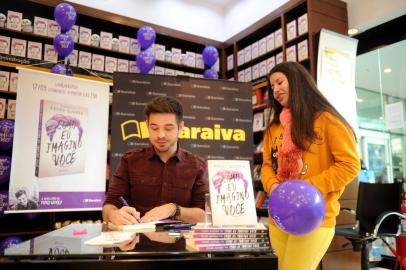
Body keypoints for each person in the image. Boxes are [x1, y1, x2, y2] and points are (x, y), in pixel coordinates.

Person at [261, 62, 360, 270]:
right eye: (272, 87)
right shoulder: (273, 128)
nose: (275, 90)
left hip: (315, 216)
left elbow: (350, 164)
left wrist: (307, 190)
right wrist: (274, 187)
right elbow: (267, 166)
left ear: (297, 81)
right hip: (279, 214)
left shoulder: (327, 120)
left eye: (279, 82)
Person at [103, 96, 208, 225]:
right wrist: (114, 215)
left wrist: (174, 209)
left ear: (180, 127)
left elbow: (204, 215)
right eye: (154, 128)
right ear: (147, 125)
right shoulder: (130, 161)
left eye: (168, 128)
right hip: (136, 241)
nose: (160, 135)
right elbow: (109, 206)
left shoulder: (197, 166)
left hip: (180, 243)